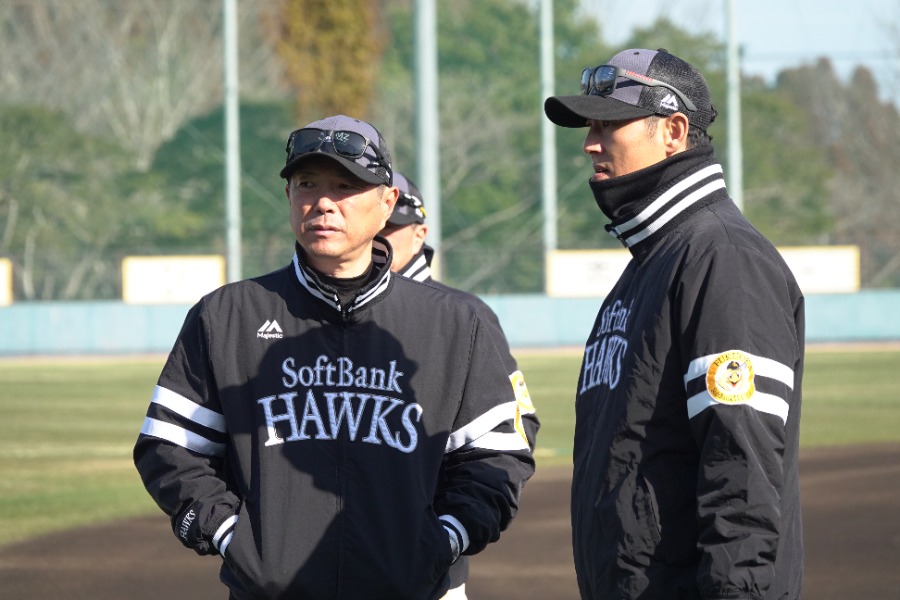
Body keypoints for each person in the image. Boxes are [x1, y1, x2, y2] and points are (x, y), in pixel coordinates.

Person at [133, 114, 535, 600]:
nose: (323, 202)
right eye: (307, 184)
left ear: (387, 204)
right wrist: (229, 536)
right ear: (288, 197)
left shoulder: (454, 323)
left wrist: (443, 538)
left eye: (346, 186)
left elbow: (498, 451)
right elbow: (169, 445)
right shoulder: (227, 315)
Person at [544, 49, 804, 599]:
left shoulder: (723, 259)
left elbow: (743, 471)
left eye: (609, 124)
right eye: (589, 126)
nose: (591, 143)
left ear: (674, 130)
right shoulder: (648, 266)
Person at [379, 172, 541, 599]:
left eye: (392, 228)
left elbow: (518, 424)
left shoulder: (462, 315)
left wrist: (448, 527)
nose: (380, 237)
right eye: (374, 225)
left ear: (420, 234)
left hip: (428, 569)